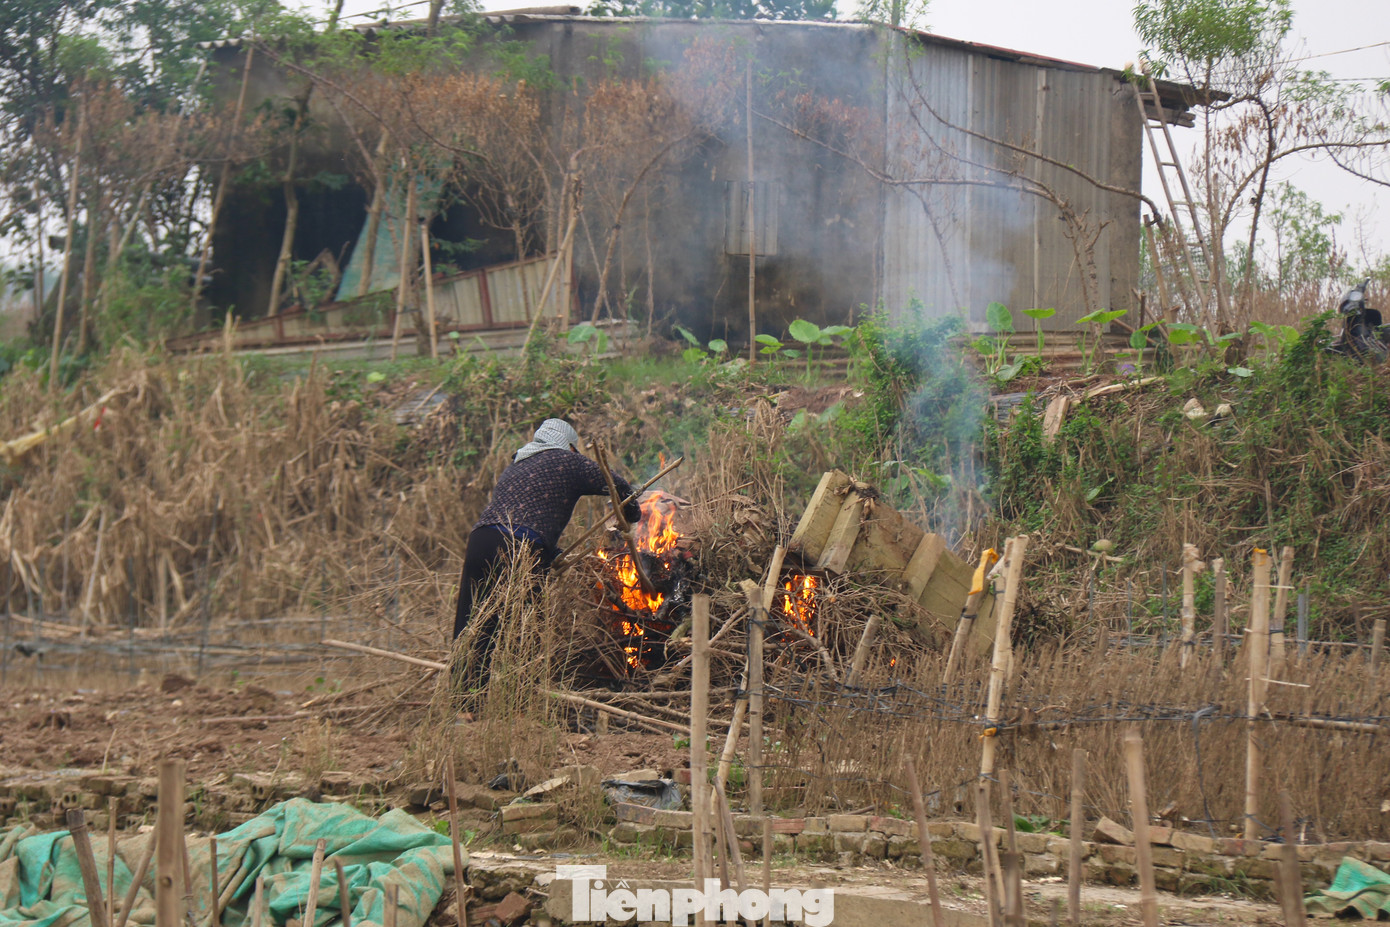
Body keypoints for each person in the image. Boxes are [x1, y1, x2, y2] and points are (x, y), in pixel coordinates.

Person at [451, 418, 641, 699]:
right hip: (520, 547)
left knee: (474, 623)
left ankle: (463, 703)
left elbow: (521, 512)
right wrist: (632, 513)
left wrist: (552, 553)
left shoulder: (515, 466)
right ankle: (521, 700)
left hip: (481, 540)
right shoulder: (568, 461)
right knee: (526, 625)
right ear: (569, 446)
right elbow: (616, 484)